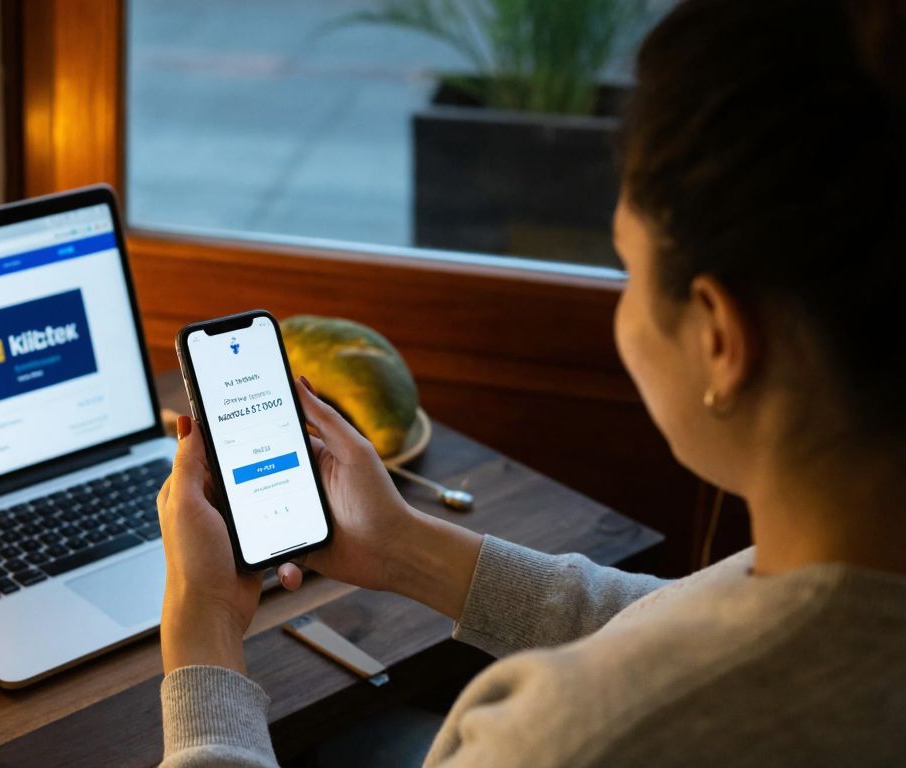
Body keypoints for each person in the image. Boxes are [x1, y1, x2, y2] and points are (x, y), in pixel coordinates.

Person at [154, 0, 906, 764]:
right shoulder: (849, 566)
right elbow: (682, 616)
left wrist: (203, 630)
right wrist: (405, 549)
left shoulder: (575, 738)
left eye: (627, 268)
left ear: (721, 337)